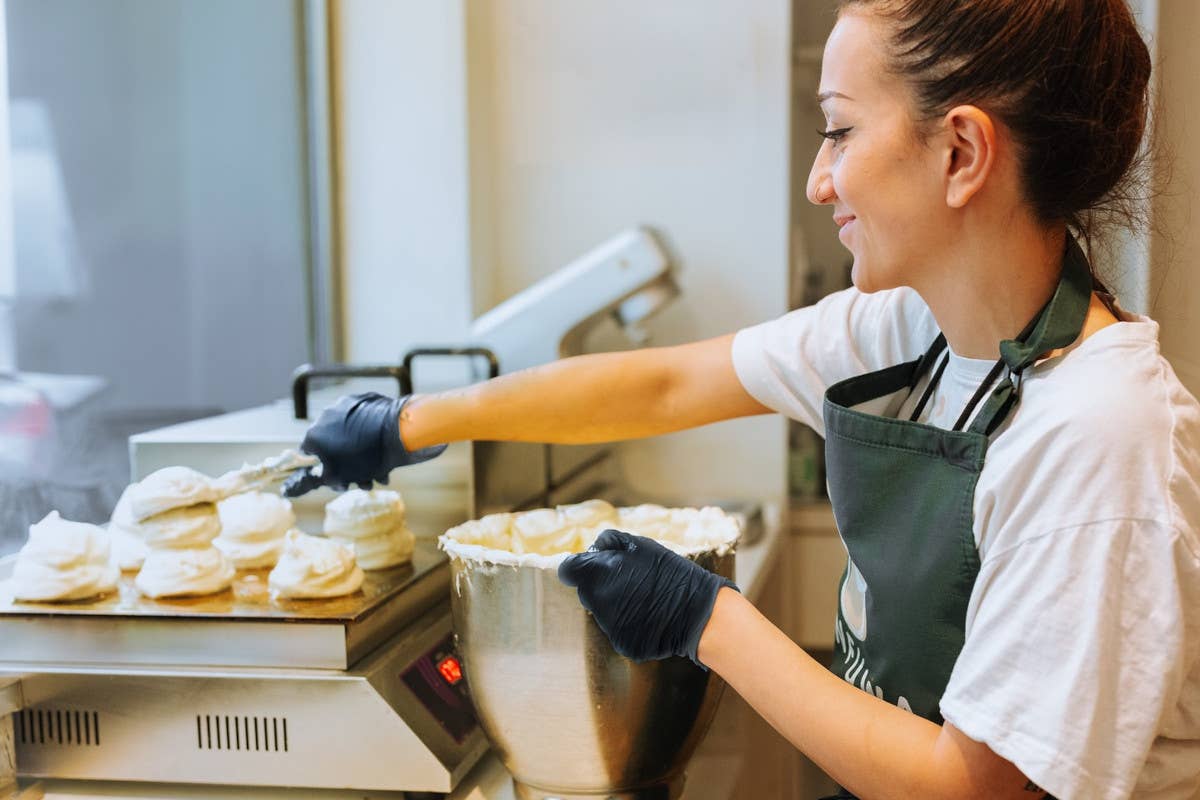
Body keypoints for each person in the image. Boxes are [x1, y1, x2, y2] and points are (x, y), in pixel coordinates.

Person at [286, 1, 1200, 797]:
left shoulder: (1098, 436)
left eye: (839, 131)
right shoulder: (909, 330)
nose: (819, 178)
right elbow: (668, 380)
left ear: (961, 151)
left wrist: (705, 618)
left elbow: (975, 786)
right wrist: (411, 424)